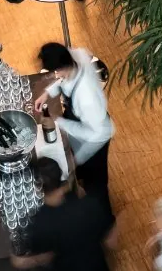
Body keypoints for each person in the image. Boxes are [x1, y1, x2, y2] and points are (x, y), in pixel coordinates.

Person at [12, 156, 117, 271]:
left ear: (36, 187)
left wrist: (38, 259)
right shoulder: (90, 205)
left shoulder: (37, 224)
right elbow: (110, 241)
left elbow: (19, 262)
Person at [36, 42, 115, 211]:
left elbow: (96, 133)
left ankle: (104, 217)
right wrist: (47, 93)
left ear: (60, 68)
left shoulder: (87, 98)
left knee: (96, 183)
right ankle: (80, 182)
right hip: (80, 121)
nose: (56, 75)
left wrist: (58, 122)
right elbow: (64, 81)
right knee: (79, 169)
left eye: (55, 72)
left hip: (96, 138)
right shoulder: (74, 56)